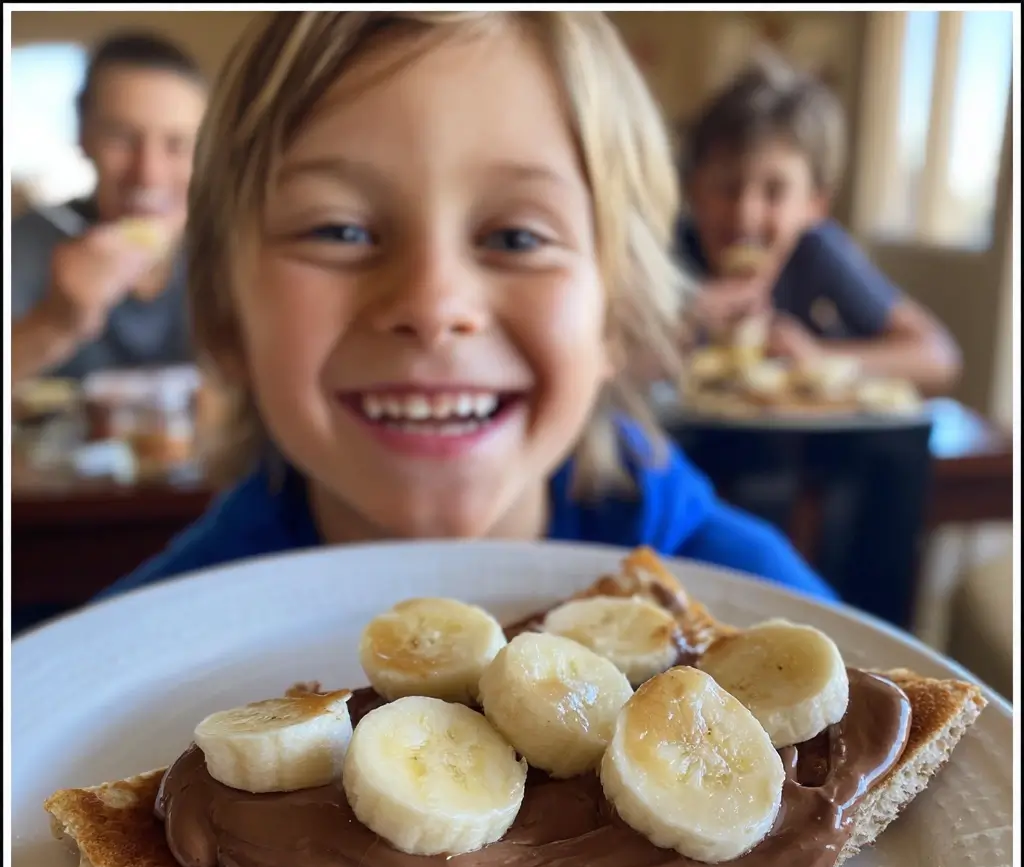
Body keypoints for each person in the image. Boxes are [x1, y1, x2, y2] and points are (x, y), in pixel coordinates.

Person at [99, 11, 833, 603]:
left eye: (517, 236)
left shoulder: (758, 607)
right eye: (340, 230)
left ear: (617, 312)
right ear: (227, 315)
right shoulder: (136, 647)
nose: (431, 303)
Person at [677, 60, 961, 395]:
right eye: (728, 187)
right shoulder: (670, 253)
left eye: (774, 192)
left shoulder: (817, 254)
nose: (746, 214)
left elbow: (938, 356)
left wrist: (820, 358)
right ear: (694, 189)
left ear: (815, 206)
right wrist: (683, 321)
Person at [11, 32, 208, 384]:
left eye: (177, 144)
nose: (149, 174)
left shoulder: (231, 256)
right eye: (120, 137)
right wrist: (53, 324)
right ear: (83, 136)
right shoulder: (27, 245)